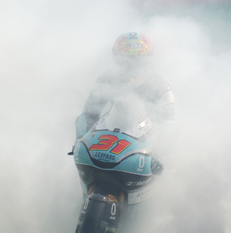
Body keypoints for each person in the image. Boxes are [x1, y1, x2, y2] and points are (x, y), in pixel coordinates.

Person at [74, 32, 175, 174]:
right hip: (111, 139)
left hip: (147, 148)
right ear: (116, 58)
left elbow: (169, 125)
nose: (133, 66)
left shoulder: (161, 86)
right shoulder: (106, 79)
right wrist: (80, 140)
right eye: (127, 60)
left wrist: (162, 155)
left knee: (169, 173)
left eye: (139, 60)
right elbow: (88, 114)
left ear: (149, 59)